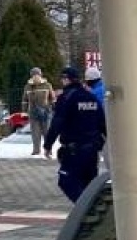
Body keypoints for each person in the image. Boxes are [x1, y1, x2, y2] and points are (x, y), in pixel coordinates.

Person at [44, 66, 107, 203]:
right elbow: (102, 122)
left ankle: (86, 212)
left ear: (67, 79)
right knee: (89, 185)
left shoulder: (66, 98)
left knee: (66, 181)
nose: (62, 82)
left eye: (63, 79)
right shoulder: (91, 97)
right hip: (92, 150)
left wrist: (48, 144)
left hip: (74, 150)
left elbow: (57, 123)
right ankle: (92, 212)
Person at [22, 67, 56, 156]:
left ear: (40, 75)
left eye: (37, 75)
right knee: (35, 132)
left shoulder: (47, 85)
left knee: (47, 132)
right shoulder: (27, 86)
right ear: (31, 76)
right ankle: (36, 150)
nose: (35, 77)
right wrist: (24, 111)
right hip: (33, 112)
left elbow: (52, 98)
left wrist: (54, 108)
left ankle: (48, 149)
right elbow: (24, 100)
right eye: (34, 75)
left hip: (46, 111)